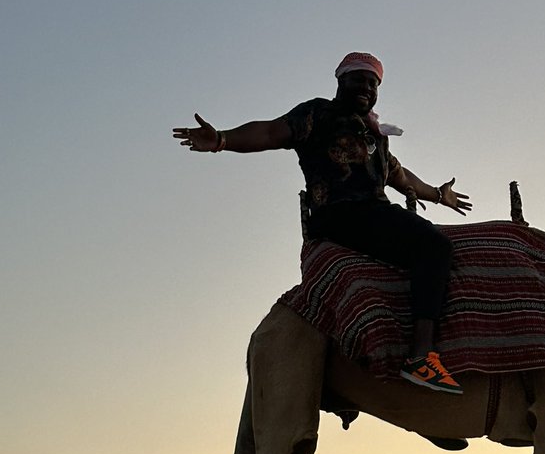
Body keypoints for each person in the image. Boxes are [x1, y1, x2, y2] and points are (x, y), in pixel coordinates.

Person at [173, 52, 472, 394]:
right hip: (343, 215)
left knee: (424, 258)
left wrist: (437, 194)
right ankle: (420, 357)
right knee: (434, 247)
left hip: (376, 216)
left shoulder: (374, 133)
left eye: (373, 83)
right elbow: (271, 132)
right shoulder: (317, 114)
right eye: (358, 79)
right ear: (340, 81)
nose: (366, 87)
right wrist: (222, 140)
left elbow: (399, 175)